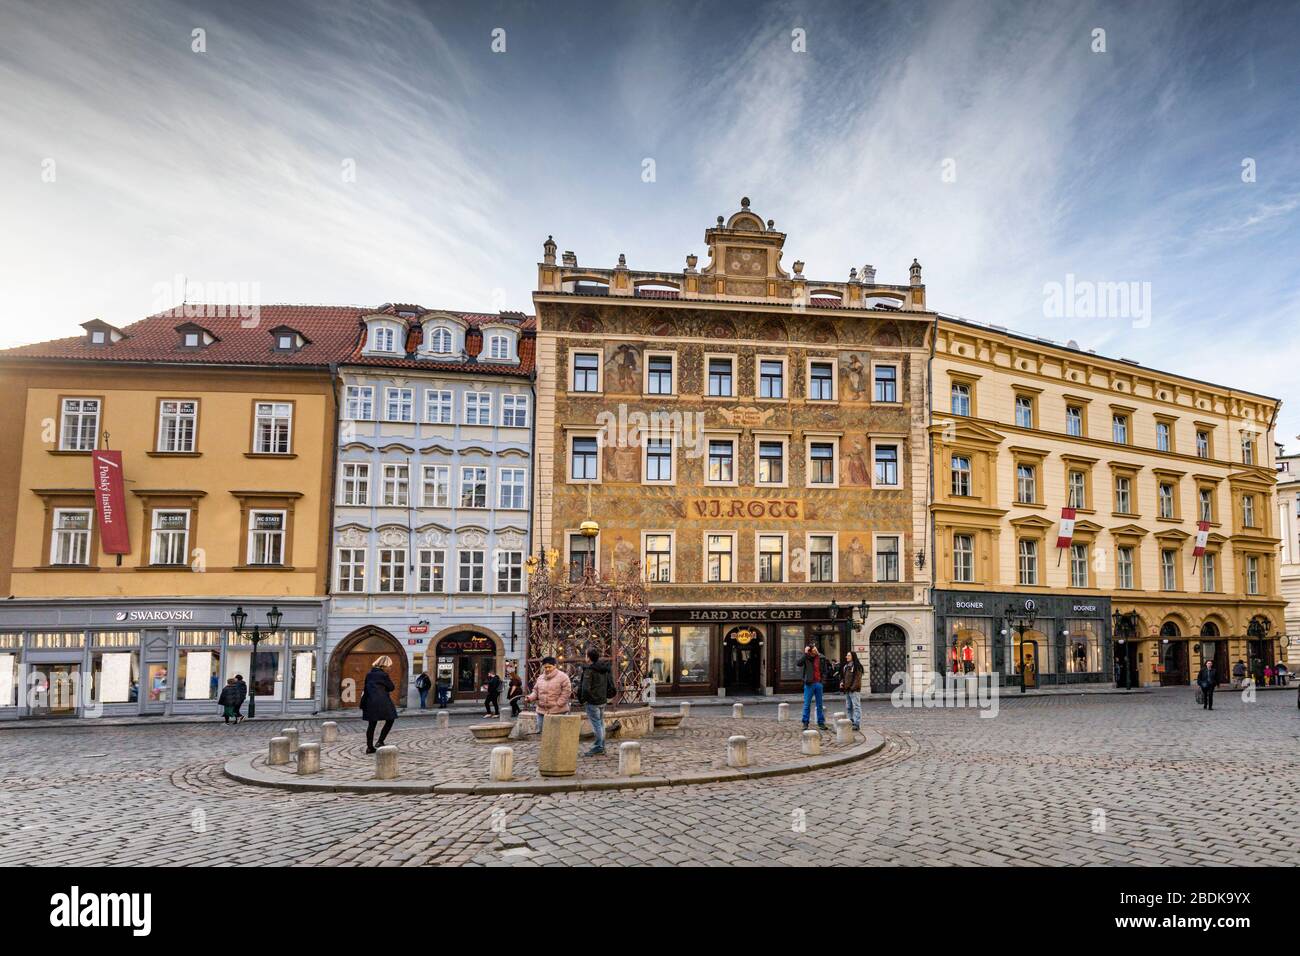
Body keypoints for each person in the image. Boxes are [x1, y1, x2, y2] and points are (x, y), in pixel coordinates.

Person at [577, 648, 617, 756]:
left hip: (592, 702)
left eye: (586, 655)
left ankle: (598, 746)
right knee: (600, 723)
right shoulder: (603, 669)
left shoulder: (589, 670)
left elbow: (585, 688)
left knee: (597, 725)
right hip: (602, 700)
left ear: (588, 658)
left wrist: (584, 699)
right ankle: (601, 746)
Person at [359, 656, 398, 754]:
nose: (390, 668)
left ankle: (369, 747)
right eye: (389, 666)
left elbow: (366, 687)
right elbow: (391, 687)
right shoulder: (383, 675)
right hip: (382, 701)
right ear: (384, 665)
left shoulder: (369, 674)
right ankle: (380, 741)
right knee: (390, 719)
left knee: (372, 724)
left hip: (369, 701)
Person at [524, 655, 572, 733]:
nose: (547, 669)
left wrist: (559, 704)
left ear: (555, 666)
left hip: (557, 711)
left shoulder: (563, 677)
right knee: (543, 732)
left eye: (549, 667)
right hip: (541, 710)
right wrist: (530, 698)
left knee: (555, 734)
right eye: (545, 667)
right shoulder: (540, 678)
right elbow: (536, 691)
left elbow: (566, 692)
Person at [797, 644, 830, 731]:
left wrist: (822, 682)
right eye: (813, 649)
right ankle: (805, 723)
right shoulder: (807, 658)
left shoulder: (821, 658)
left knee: (819, 705)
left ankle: (821, 723)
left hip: (818, 684)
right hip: (809, 684)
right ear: (810, 651)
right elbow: (798, 663)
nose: (815, 650)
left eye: (816, 648)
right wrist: (805, 653)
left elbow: (825, 671)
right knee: (807, 705)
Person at [841, 651, 864, 731]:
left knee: (856, 707)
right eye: (847, 655)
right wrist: (842, 683)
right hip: (847, 690)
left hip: (854, 691)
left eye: (848, 655)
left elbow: (857, 680)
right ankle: (850, 721)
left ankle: (856, 724)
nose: (846, 657)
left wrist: (852, 688)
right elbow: (844, 678)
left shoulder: (857, 666)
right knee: (848, 707)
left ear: (853, 656)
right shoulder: (846, 666)